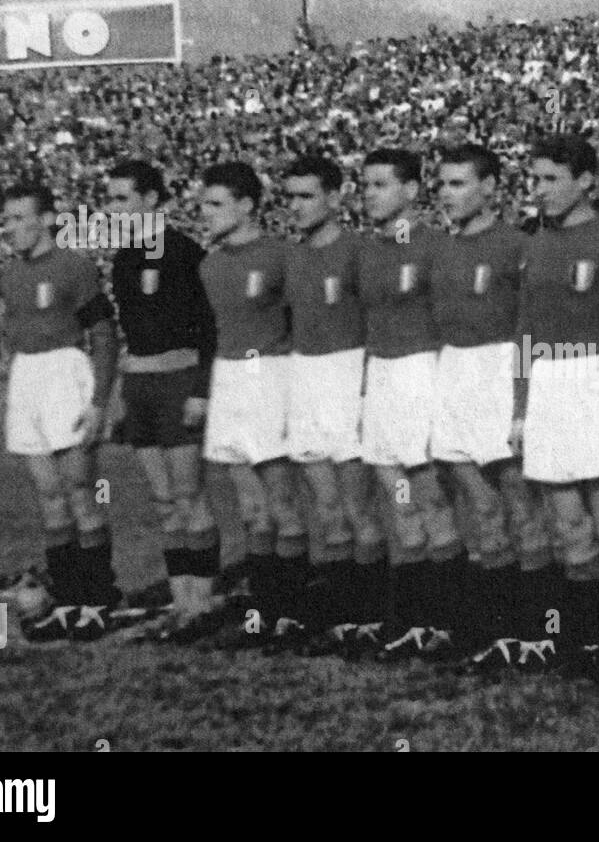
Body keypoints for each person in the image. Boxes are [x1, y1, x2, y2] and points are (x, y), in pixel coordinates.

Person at [514, 134, 599, 684]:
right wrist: (523, 404)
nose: (541, 190)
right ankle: (589, 640)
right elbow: (525, 330)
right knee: (568, 524)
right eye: (536, 179)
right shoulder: (534, 244)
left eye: (551, 179)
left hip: (598, 376)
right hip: (548, 380)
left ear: (587, 180)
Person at [427, 143, 555, 670]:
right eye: (442, 183)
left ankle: (542, 632)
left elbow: (531, 328)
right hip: (454, 372)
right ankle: (501, 631)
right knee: (481, 511)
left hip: (501, 372)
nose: (447, 194)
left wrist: (524, 401)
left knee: (523, 508)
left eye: (458, 184)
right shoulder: (436, 248)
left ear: (490, 189)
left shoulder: (517, 245)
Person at [353, 148, 465, 661]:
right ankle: (417, 621)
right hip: (380, 377)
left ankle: (450, 621)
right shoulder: (366, 250)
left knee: (432, 500)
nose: (369, 194)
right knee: (397, 503)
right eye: (366, 185)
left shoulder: (437, 247)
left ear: (411, 191)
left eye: (380, 185)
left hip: (423, 373)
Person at [275, 156, 389, 658]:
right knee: (325, 508)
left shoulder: (359, 252)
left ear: (334, 198)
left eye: (306, 196)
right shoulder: (290, 257)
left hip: (349, 378)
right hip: (305, 378)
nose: (296, 206)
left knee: (359, 505)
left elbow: (376, 324)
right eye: (290, 197)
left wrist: (367, 391)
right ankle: (343, 617)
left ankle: (374, 616)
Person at [0, 182, 122, 641]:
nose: (9, 228)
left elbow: (105, 337)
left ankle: (98, 599)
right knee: (49, 496)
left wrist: (98, 402)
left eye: (18, 218)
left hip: (66, 374)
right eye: (6, 220)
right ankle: (67, 601)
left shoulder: (75, 266)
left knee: (80, 491)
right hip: (26, 379)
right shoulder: (10, 274)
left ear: (47, 219)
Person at [105, 160, 221, 642]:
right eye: (110, 199)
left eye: (121, 198)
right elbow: (130, 333)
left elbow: (211, 328)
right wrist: (120, 396)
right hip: (140, 385)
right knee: (163, 501)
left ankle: (204, 600)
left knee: (189, 496)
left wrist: (200, 390)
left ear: (151, 199)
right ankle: (181, 601)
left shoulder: (184, 252)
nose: (113, 208)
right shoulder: (123, 258)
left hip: (179, 380)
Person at [197, 162, 309, 650]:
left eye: (215, 203)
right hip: (229, 379)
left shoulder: (283, 256)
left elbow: (302, 322)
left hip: (271, 374)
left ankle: (294, 611)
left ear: (246, 205)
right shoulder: (210, 264)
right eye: (203, 203)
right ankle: (262, 611)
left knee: (283, 501)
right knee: (250, 505)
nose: (205, 213)